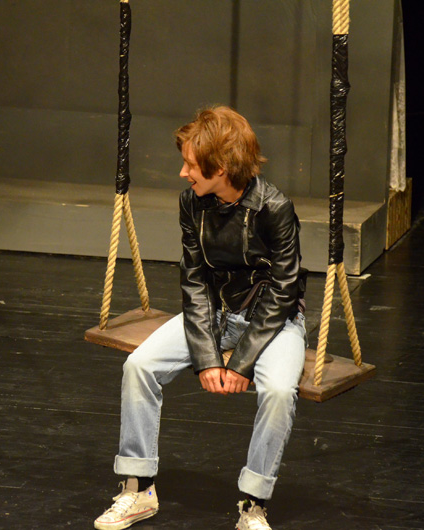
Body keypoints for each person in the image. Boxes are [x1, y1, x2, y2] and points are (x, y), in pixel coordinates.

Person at [94, 106, 307, 530]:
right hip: (215, 314)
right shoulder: (192, 202)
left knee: (280, 391)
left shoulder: (274, 207)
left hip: (273, 320)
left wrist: (241, 363)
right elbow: (193, 281)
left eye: (191, 165)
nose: (183, 173)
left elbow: (284, 290)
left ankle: (253, 505)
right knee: (139, 366)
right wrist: (208, 359)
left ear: (221, 167)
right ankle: (139, 488)